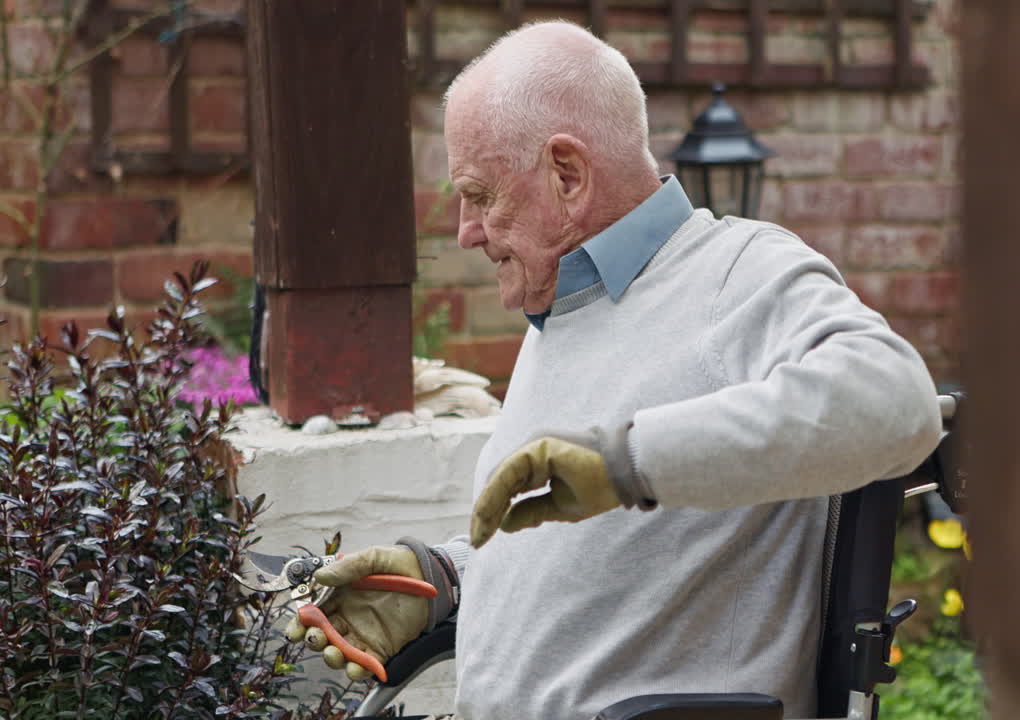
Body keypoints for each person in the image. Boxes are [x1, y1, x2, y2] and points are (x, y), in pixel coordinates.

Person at [285, 20, 941, 720]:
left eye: (479, 196)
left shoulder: (733, 273)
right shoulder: (567, 307)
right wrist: (443, 579)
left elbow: (899, 399)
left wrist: (627, 461)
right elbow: (605, 563)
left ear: (567, 175)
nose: (465, 231)